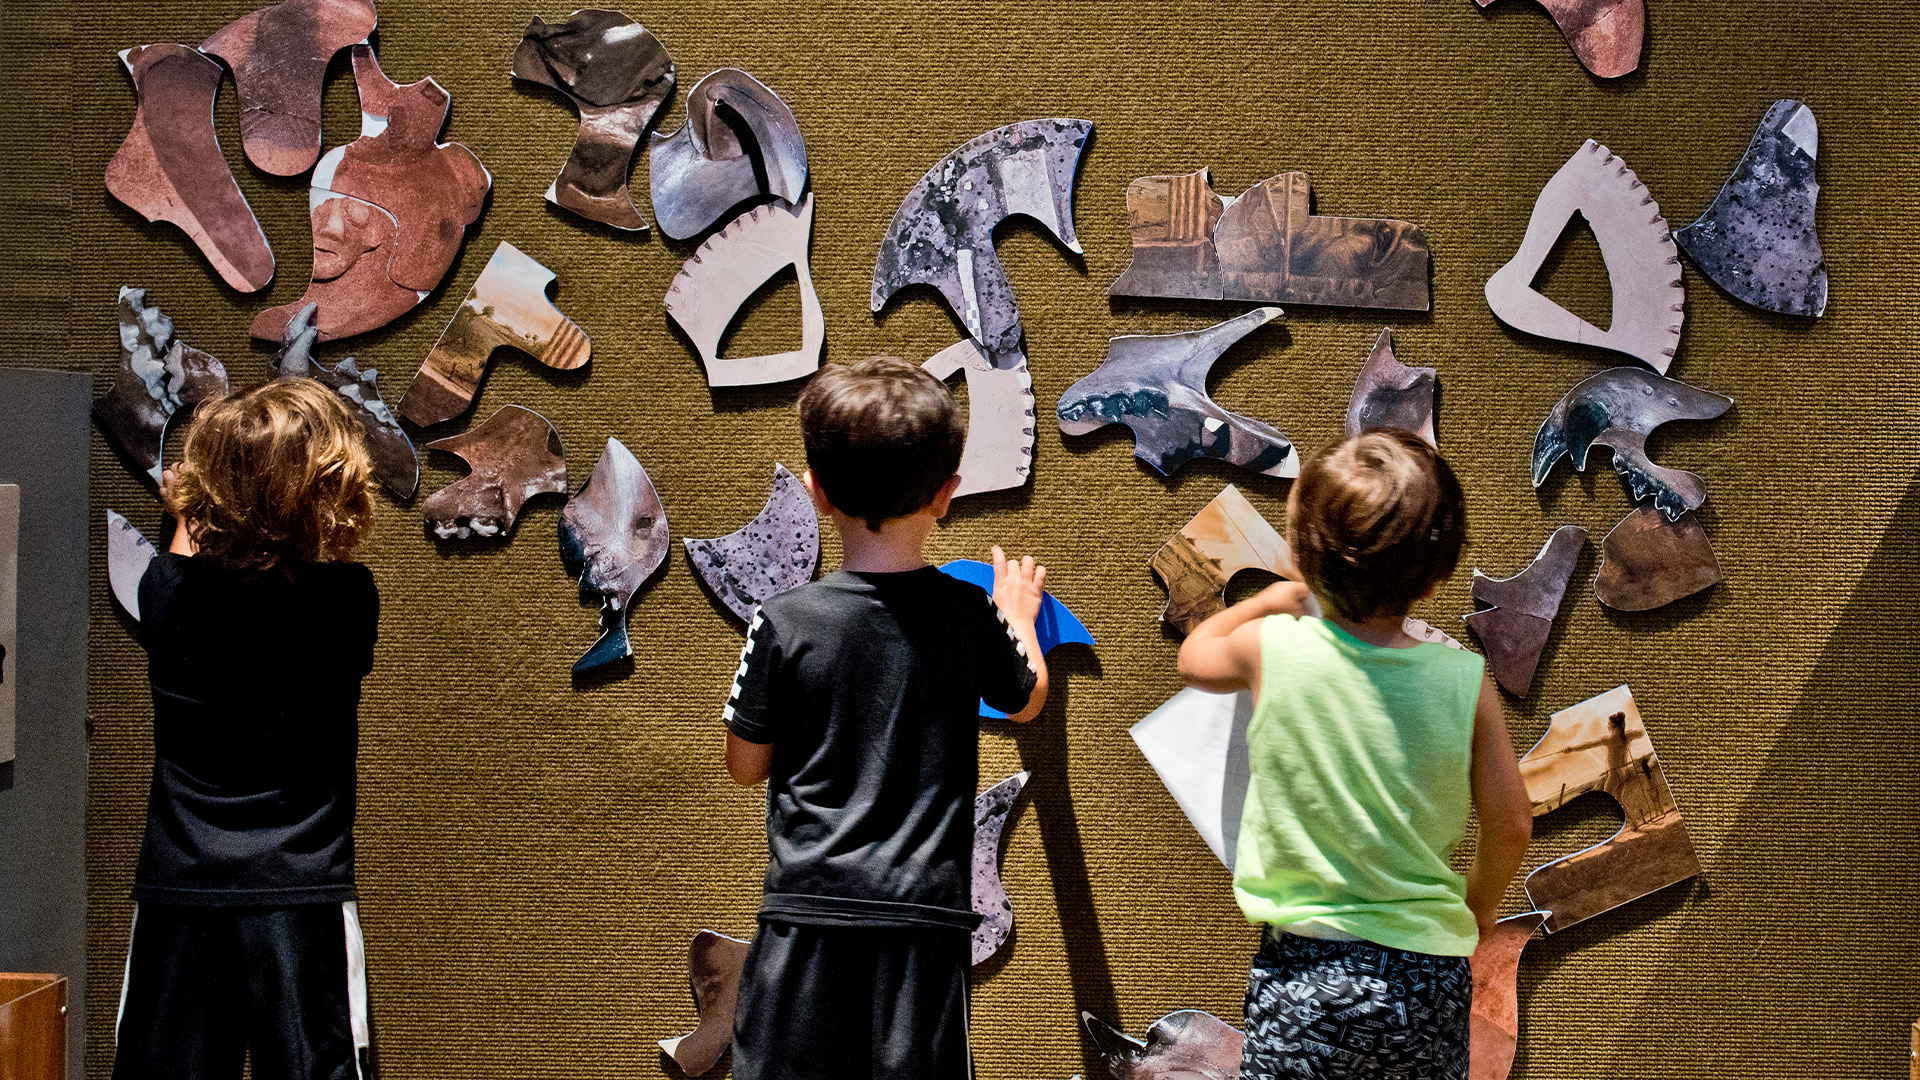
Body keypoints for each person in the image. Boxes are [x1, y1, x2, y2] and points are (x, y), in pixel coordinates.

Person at [721, 357, 1051, 1080]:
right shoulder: (969, 615)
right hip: (922, 934)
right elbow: (1026, 696)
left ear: (817, 493)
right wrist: (1019, 616)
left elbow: (745, 766)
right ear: (946, 495)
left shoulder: (781, 622)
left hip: (804, 925)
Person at [1176, 429, 1533, 1080]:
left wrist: (1271, 600)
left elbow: (1193, 660)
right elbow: (1511, 823)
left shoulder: (1271, 647)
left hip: (1303, 972)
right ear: (1433, 581)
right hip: (1425, 980)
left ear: (1302, 559)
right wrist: (1475, 911)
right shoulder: (1466, 682)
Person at [113, 378, 381, 1080]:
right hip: (301, 896)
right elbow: (328, 554)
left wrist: (191, 502)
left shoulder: (167, 594)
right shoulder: (347, 603)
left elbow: (182, 554)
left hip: (180, 894)